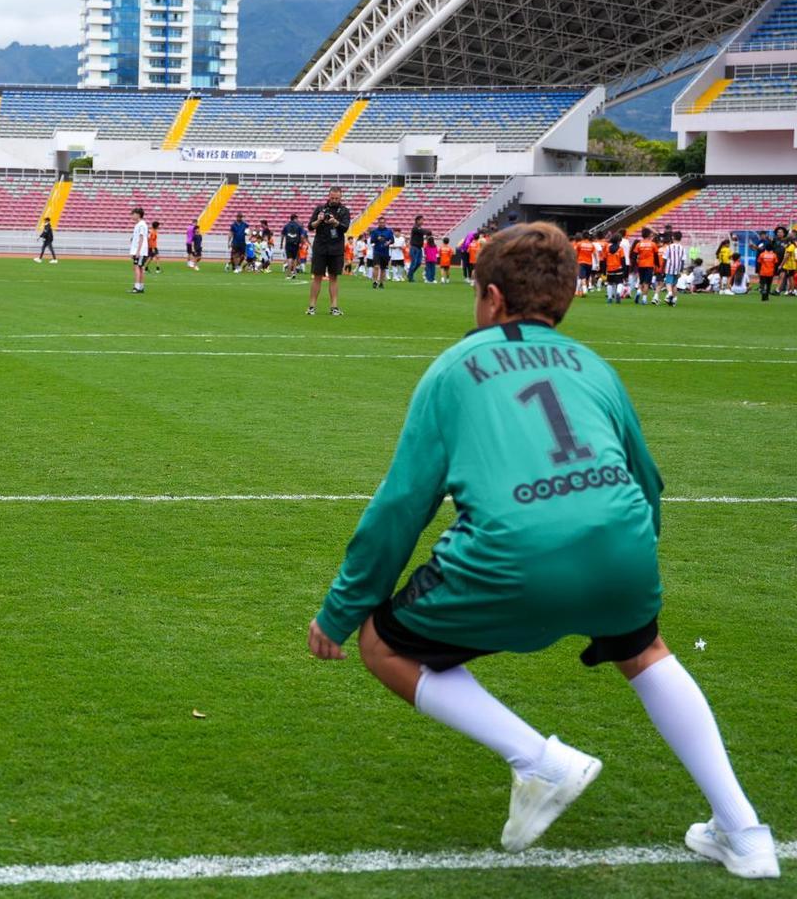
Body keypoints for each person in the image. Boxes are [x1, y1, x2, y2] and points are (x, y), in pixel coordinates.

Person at [307, 221, 778, 880]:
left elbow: (401, 507)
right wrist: (628, 567)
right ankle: (747, 834)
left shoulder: (454, 368)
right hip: (621, 544)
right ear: (570, 299)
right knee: (643, 648)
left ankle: (540, 760)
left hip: (513, 553)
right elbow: (646, 480)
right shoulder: (594, 366)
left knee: (381, 643)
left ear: (492, 298)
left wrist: (340, 609)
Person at [306, 185, 350, 316]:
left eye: (337, 198)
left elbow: (345, 228)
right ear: (329, 196)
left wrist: (335, 222)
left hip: (336, 248)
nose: (334, 200)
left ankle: (334, 307)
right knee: (317, 276)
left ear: (341, 197)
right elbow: (310, 226)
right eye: (332, 197)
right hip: (320, 247)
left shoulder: (344, 211)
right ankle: (312, 306)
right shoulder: (320, 209)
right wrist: (319, 220)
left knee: (334, 277)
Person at [369, 217, 395, 289]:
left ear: (385, 223)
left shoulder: (389, 231)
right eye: (380, 222)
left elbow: (392, 240)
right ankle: (375, 281)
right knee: (376, 266)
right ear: (378, 223)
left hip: (385, 252)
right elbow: (372, 241)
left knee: (383, 268)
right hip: (377, 251)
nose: (382, 224)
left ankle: (381, 283)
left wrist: (388, 242)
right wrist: (377, 239)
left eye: (383, 222)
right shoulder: (375, 231)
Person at [661, 232, 686, 306]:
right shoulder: (682, 248)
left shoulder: (669, 247)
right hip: (678, 268)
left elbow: (665, 258)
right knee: (674, 285)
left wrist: (663, 268)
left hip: (670, 267)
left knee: (668, 283)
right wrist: (681, 270)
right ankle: (674, 299)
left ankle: (669, 293)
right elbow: (683, 260)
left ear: (673, 237)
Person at [129, 206, 149, 294]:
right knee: (140, 268)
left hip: (140, 251)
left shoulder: (141, 225)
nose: (131, 216)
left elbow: (141, 238)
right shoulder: (139, 225)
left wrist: (137, 251)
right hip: (139, 250)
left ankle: (137, 287)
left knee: (137, 267)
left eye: (133, 214)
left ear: (138, 215)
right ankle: (140, 287)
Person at [282, 212, 304, 279]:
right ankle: (294, 273)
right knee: (294, 258)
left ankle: (288, 274)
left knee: (289, 258)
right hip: (296, 244)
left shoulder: (286, 225)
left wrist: (281, 243)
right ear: (295, 218)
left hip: (288, 243)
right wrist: (301, 243)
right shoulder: (299, 226)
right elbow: (302, 236)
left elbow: (283, 235)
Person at [408, 215, 427, 281]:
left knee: (418, 263)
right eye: (421, 220)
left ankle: (410, 274)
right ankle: (410, 277)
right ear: (417, 220)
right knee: (414, 262)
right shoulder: (415, 228)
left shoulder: (419, 228)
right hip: (414, 248)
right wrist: (429, 232)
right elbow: (423, 232)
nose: (422, 221)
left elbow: (423, 231)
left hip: (419, 248)